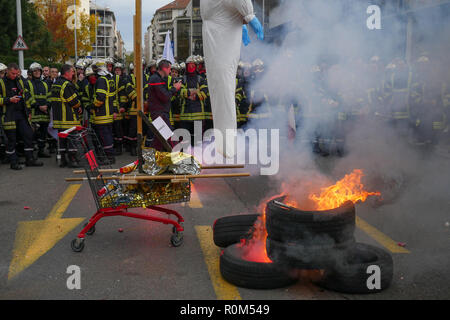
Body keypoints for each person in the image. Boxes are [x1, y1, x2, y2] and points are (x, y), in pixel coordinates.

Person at [201, 0, 263, 157]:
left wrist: (241, 20)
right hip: (219, 34)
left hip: (217, 33)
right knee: (223, 87)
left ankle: (226, 145)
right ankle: (226, 147)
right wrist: (248, 16)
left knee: (222, 87)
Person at [0, 63, 43, 169]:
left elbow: (26, 96)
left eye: (17, 73)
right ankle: (13, 163)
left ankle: (30, 159)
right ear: (7, 71)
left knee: (28, 135)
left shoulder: (20, 81)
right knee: (12, 139)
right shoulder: (1, 83)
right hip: (8, 115)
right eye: (13, 73)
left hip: (21, 113)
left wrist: (28, 111)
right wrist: (9, 100)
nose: (15, 75)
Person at [51, 64, 82, 168]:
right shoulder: (67, 85)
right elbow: (74, 102)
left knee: (62, 140)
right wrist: (79, 106)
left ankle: (63, 160)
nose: (74, 74)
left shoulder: (55, 84)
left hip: (58, 119)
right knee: (72, 139)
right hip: (68, 118)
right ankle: (72, 160)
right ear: (67, 73)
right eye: (72, 72)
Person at [147, 59, 181, 151]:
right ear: (164, 68)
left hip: (159, 113)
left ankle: (152, 159)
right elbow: (165, 96)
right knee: (170, 138)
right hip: (160, 114)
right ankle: (179, 160)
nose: (170, 72)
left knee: (159, 140)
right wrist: (174, 88)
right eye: (170, 69)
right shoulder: (156, 79)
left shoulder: (157, 78)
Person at [92, 62, 117, 164]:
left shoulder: (101, 80)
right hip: (108, 115)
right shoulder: (109, 79)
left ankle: (108, 158)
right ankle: (109, 156)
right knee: (108, 136)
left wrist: (93, 106)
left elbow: (101, 97)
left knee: (104, 137)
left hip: (101, 115)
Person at [27, 62, 51, 158]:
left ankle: (41, 151)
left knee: (43, 134)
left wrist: (47, 106)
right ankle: (32, 154)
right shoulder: (27, 83)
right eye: (35, 71)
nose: (37, 72)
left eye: (38, 71)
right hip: (34, 114)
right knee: (32, 135)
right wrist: (39, 106)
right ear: (31, 72)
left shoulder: (45, 84)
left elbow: (49, 97)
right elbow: (28, 97)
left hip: (44, 114)